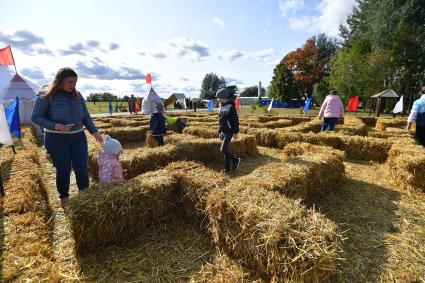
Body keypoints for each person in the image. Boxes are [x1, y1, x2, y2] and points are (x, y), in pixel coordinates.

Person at [31, 67, 103, 208]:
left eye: (75, 83)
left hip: (78, 136)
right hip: (56, 138)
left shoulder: (77, 95)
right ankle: (64, 197)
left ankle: (84, 194)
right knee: (63, 169)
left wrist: (94, 131)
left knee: (82, 167)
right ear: (59, 81)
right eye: (70, 82)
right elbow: (35, 117)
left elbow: (85, 116)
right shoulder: (46, 95)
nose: (73, 86)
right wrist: (55, 126)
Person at [216, 88, 240, 172]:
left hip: (229, 132)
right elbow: (220, 121)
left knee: (223, 150)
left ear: (223, 97)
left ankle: (236, 160)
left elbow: (235, 121)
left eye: (218, 97)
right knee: (226, 151)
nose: (217, 99)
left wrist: (235, 132)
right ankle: (227, 168)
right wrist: (219, 131)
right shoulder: (220, 107)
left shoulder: (231, 107)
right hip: (223, 131)